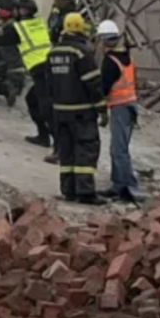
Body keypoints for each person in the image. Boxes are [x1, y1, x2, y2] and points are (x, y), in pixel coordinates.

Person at [47, 13, 105, 205]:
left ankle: (68, 190)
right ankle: (86, 193)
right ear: (81, 29)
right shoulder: (82, 53)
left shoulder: (53, 52)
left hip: (60, 112)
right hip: (82, 111)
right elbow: (92, 83)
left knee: (67, 151)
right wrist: (102, 108)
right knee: (86, 149)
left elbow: (48, 84)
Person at [0, 0, 55, 155]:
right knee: (32, 100)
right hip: (49, 67)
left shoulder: (18, 28)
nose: (14, 12)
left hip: (41, 69)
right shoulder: (38, 22)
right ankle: (43, 136)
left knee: (46, 108)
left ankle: (60, 147)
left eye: (17, 9)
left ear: (23, 11)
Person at [96, 19, 144, 202]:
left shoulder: (110, 62)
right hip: (130, 106)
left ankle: (128, 187)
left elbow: (104, 88)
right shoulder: (127, 58)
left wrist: (101, 111)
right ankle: (118, 185)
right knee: (119, 147)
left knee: (119, 149)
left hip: (120, 107)